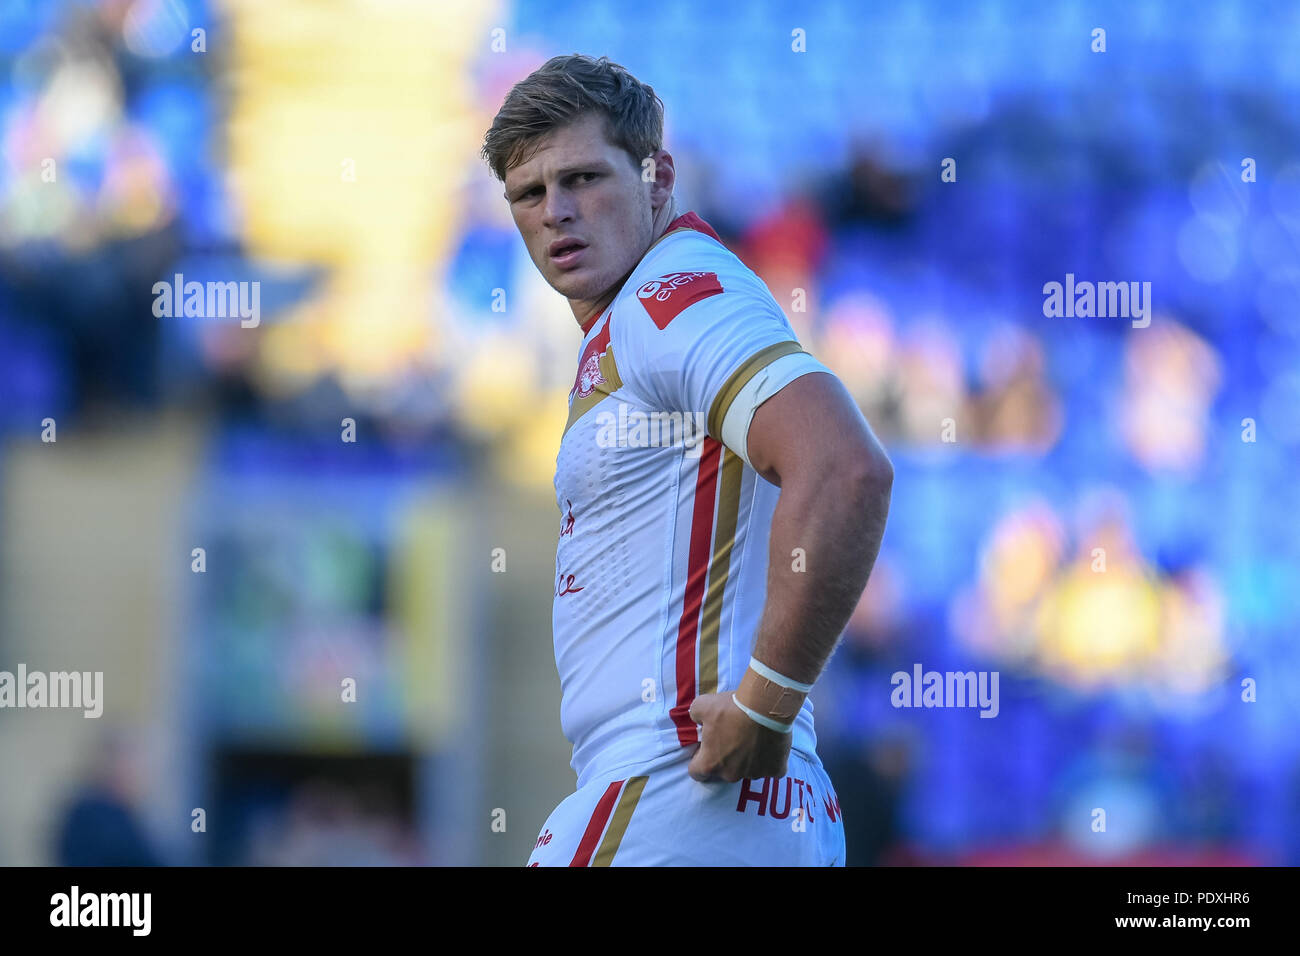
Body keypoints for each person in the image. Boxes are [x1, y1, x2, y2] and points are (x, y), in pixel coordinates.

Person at [481, 54, 892, 866]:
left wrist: (767, 707)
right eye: (530, 194)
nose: (558, 212)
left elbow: (847, 468)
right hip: (742, 804)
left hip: (676, 783)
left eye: (585, 178)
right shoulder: (636, 319)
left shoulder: (670, 296)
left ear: (656, 176)